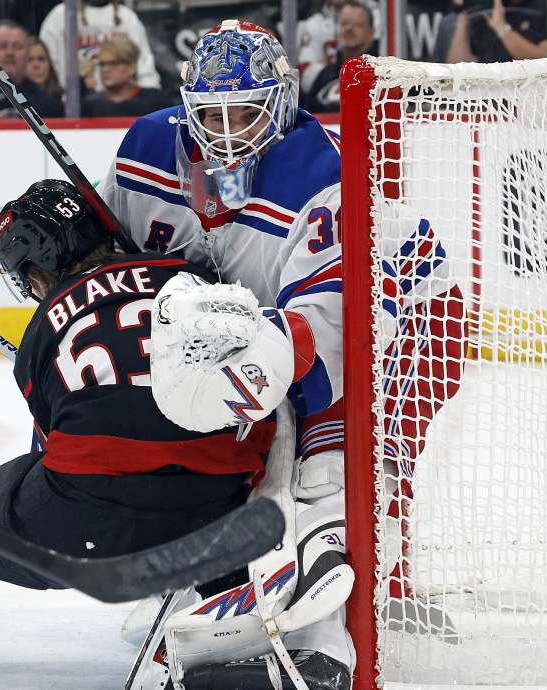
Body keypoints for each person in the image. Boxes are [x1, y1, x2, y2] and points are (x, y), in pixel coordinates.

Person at [99, 20, 462, 688]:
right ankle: (235, 581)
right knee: (235, 443)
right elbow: (113, 252)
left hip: (413, 320)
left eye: (247, 110)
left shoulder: (320, 174)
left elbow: (326, 332)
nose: (229, 129)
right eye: (212, 113)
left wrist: (242, 378)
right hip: (290, 322)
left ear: (283, 100)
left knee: (335, 467)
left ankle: (343, 627)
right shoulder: (149, 146)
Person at [0, 179, 276, 667]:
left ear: (42, 262)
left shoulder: (42, 333)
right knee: (201, 491)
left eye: (28, 274)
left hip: (90, 529)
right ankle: (230, 622)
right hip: (223, 509)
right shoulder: (194, 277)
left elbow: (51, 452)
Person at [38, 0, 160, 91]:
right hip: (72, 104)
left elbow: (144, 68)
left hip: (124, 101)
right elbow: (46, 64)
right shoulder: (59, 17)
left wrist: (148, 99)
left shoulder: (127, 17)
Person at [302, 0, 378, 113]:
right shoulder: (324, 76)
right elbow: (309, 118)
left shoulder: (381, 75)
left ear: (371, 33)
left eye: (357, 24)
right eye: (344, 24)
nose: (349, 29)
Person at [81, 35, 171, 117]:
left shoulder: (156, 102)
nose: (105, 70)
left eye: (113, 63)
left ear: (132, 67)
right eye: (102, 64)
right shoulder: (89, 105)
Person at [447, 0, 547, 63]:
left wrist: (501, 28)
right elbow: (458, 65)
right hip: (489, 93)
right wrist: (463, 11)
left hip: (531, 93)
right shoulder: (485, 10)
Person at [26, 36, 64, 102]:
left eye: (41, 59)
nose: (36, 65)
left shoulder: (63, 99)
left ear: (49, 65)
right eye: (30, 60)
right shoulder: (12, 99)